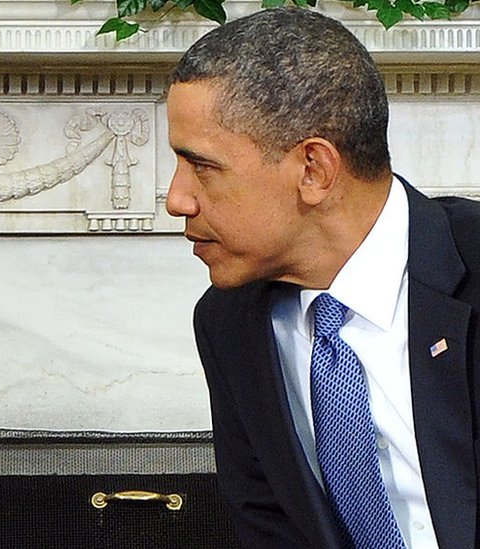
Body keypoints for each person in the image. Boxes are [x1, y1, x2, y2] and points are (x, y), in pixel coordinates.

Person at [166, 7, 479, 549]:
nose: (176, 200)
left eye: (203, 167)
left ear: (314, 169)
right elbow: (266, 523)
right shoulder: (228, 321)